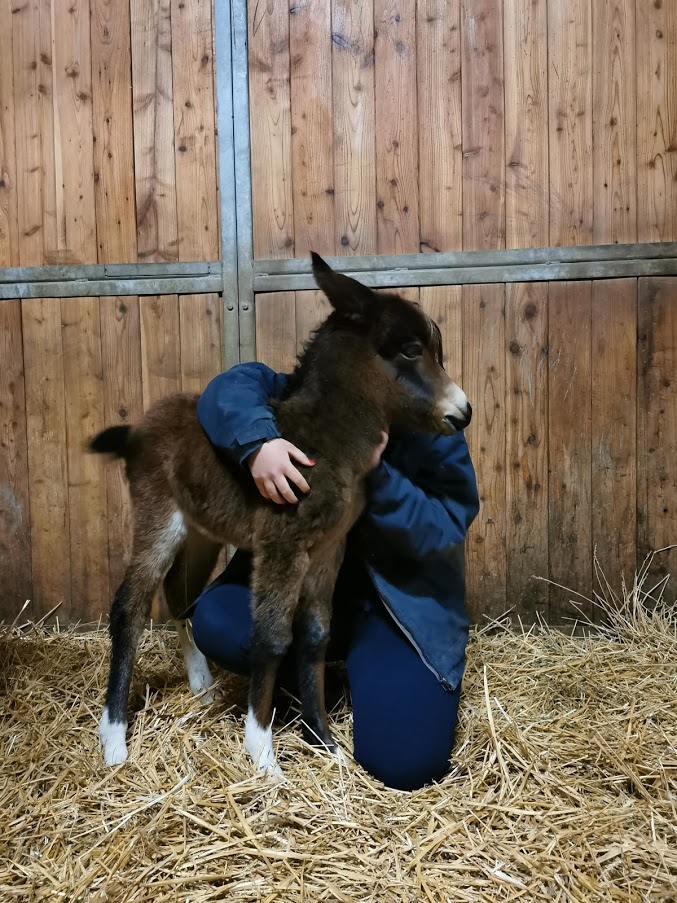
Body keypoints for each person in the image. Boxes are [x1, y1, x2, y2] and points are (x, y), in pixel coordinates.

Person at [190, 361, 479, 791]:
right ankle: (312, 676)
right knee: (217, 621)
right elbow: (232, 385)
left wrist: (375, 475)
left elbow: (445, 526)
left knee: (403, 765)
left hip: (394, 610)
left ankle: (362, 678)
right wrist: (258, 443)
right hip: (310, 596)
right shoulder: (318, 392)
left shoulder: (434, 430)